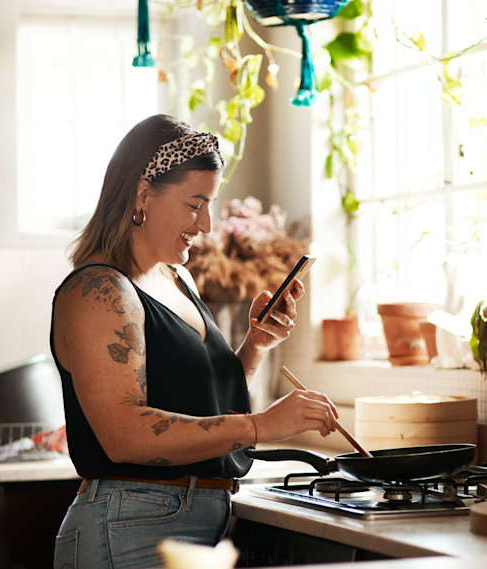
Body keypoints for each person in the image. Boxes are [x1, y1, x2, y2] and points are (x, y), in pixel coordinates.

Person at [50, 114, 338, 569]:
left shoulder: (177, 278)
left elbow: (197, 401)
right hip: (130, 529)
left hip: (202, 521)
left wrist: (255, 346)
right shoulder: (99, 291)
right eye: (195, 204)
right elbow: (125, 435)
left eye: (211, 204)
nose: (205, 224)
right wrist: (260, 425)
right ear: (143, 194)